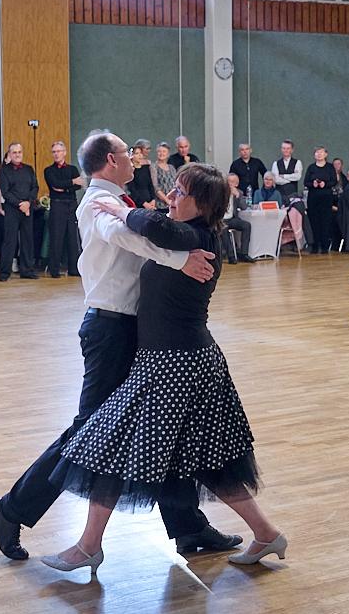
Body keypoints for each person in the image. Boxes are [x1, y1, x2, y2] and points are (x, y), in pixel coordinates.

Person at [0, 132, 238, 562]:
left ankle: (188, 527)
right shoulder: (96, 204)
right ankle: (11, 509)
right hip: (110, 329)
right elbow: (124, 235)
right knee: (88, 433)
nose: (134, 158)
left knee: (165, 430)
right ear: (108, 161)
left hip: (138, 330)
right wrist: (181, 258)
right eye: (126, 153)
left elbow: (147, 227)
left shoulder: (120, 200)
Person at [39, 162, 286, 572]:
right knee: (204, 460)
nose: (172, 196)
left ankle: (87, 547)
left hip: (176, 365)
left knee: (109, 446)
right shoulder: (186, 238)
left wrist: (117, 210)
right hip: (175, 362)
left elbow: (151, 225)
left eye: (181, 192)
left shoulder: (194, 238)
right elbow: (154, 227)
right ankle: (265, 533)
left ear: (202, 204)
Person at [0, 143, 40, 281]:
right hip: (12, 209)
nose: (17, 154)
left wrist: (28, 202)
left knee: (28, 240)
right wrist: (19, 204)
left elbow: (35, 187)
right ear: (9, 154)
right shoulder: (4, 170)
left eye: (19, 152)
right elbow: (5, 192)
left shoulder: (29, 169)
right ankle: (5, 273)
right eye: (14, 152)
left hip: (27, 208)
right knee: (10, 241)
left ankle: (27, 270)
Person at [43, 141, 83, 278]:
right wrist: (71, 182)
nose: (56, 154)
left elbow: (79, 185)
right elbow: (55, 185)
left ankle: (74, 269)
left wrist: (64, 188)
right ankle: (54, 269)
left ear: (64, 152)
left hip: (72, 204)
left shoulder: (72, 169)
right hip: (57, 205)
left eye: (59, 151)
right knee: (57, 237)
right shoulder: (49, 170)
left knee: (73, 237)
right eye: (54, 151)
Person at [304, 146, 338, 253]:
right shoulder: (311, 168)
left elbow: (334, 181)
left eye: (321, 152)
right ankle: (314, 245)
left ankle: (324, 246)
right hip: (313, 197)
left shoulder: (330, 167)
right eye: (316, 152)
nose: (318, 154)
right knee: (314, 221)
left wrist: (325, 184)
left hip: (326, 197)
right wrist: (313, 184)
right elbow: (306, 182)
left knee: (325, 221)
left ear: (326, 154)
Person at [223, 172, 253, 263]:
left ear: (236, 184)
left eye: (232, 182)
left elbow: (244, 207)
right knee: (223, 229)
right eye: (228, 181)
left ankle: (244, 254)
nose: (229, 184)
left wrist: (238, 196)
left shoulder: (239, 192)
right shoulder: (219, 192)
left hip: (232, 218)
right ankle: (231, 256)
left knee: (246, 225)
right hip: (220, 219)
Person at [127, 139, 156, 209]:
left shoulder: (146, 168)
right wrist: (144, 204)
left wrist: (153, 200)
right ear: (131, 156)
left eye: (141, 153)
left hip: (150, 202)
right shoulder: (130, 170)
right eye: (137, 153)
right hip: (138, 203)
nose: (140, 155)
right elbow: (132, 190)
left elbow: (150, 185)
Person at [151, 142, 177, 211]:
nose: (161, 153)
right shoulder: (154, 166)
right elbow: (155, 187)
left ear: (168, 154)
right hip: (161, 204)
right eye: (159, 151)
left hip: (173, 202)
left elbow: (175, 184)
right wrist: (167, 200)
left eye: (164, 151)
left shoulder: (171, 167)